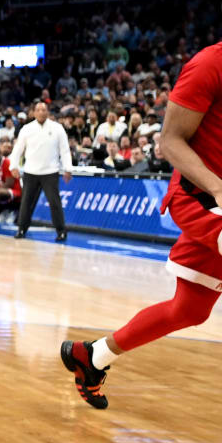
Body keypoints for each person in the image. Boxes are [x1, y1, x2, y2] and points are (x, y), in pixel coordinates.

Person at [62, 40, 222, 410]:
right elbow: (170, 142)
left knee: (190, 309)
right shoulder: (208, 65)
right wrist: (217, 187)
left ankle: (94, 356)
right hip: (200, 197)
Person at [13, 100, 72, 242]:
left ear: (48, 112)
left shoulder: (57, 128)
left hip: (50, 171)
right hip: (31, 171)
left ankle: (61, 231)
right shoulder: (26, 129)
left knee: (55, 202)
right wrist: (13, 166)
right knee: (26, 203)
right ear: (33, 112)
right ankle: (21, 229)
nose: (41, 112)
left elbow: (65, 150)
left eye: (44, 110)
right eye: (38, 110)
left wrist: (68, 168)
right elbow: (18, 149)